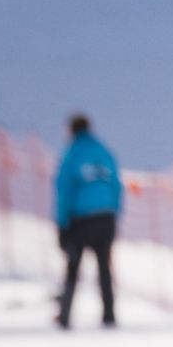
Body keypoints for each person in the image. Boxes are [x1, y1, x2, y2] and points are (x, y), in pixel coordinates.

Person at [54, 113, 122, 330]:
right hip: (106, 217)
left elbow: (63, 189)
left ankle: (65, 315)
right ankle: (109, 315)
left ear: (71, 130)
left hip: (81, 219)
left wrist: (61, 223)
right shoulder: (104, 151)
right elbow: (116, 185)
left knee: (73, 266)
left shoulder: (72, 153)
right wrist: (115, 213)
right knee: (104, 267)